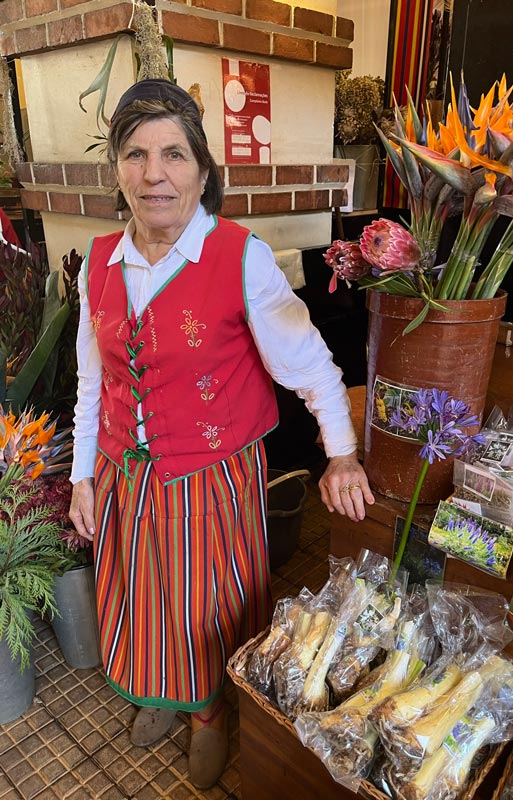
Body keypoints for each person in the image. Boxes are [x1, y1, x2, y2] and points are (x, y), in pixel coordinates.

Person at [68, 78, 374, 789]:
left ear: (203, 171)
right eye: (136, 154)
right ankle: (162, 695)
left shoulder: (240, 258)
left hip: (208, 481)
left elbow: (311, 367)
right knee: (144, 597)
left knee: (205, 608)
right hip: (127, 477)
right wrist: (84, 474)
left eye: (174, 154)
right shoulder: (100, 265)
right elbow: (94, 381)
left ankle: (210, 713)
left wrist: (343, 455)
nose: (155, 174)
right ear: (116, 169)